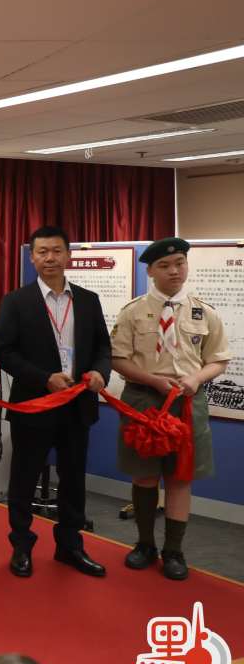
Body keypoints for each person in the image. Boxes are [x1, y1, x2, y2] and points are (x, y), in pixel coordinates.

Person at [0, 226, 111, 579]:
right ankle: (21, 546)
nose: (50, 258)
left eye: (57, 251)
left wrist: (100, 371)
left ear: (68, 255)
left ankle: (70, 546)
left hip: (77, 406)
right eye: (42, 252)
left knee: (74, 480)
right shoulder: (16, 301)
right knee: (23, 479)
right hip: (34, 406)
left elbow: (103, 347)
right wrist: (44, 378)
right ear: (32, 257)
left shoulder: (88, 300)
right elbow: (4, 351)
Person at [110, 237, 230, 580]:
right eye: (164, 265)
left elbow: (218, 359)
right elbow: (118, 358)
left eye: (180, 263)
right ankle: (145, 544)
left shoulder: (204, 312)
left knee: (180, 478)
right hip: (144, 401)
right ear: (150, 271)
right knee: (144, 475)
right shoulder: (133, 312)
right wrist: (152, 379)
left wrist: (196, 378)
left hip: (187, 403)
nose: (174, 271)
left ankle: (174, 551)